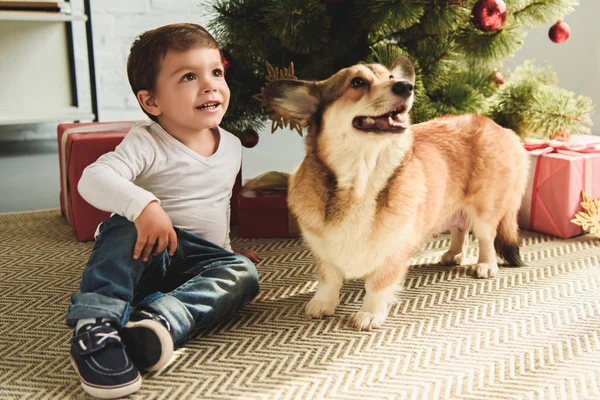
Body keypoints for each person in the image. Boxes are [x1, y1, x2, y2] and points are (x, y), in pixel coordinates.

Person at [66, 23, 260, 399]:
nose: (210, 85)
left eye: (216, 72)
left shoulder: (232, 145)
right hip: (146, 251)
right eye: (190, 76)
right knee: (121, 228)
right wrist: (144, 207)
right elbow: (93, 177)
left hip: (193, 261)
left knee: (244, 273)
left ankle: (158, 322)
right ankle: (96, 325)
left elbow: (214, 204)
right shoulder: (147, 141)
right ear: (152, 102)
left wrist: (224, 250)